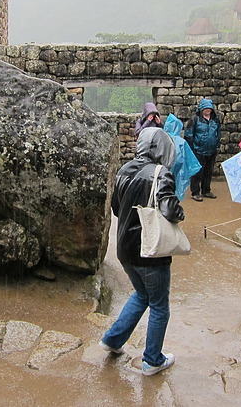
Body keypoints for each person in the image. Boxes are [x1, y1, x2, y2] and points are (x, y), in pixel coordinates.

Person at [100, 127, 184, 376]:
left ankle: (112, 340)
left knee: (141, 295)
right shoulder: (162, 173)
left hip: (125, 248)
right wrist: (181, 212)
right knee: (159, 305)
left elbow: (116, 207)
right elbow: (170, 210)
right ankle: (152, 360)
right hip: (150, 250)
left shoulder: (124, 170)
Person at [184, 98, 221, 202]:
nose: (208, 110)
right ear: (201, 109)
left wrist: (216, 144)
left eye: (209, 108)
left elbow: (218, 133)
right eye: (205, 108)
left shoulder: (215, 120)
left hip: (211, 151)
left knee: (208, 172)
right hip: (198, 151)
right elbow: (189, 135)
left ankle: (206, 190)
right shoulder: (195, 119)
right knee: (197, 172)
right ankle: (195, 192)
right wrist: (193, 148)